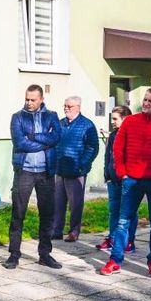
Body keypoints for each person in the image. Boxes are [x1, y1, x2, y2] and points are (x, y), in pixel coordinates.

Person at [101, 87, 151, 277]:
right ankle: (115, 259)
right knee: (123, 221)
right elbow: (117, 149)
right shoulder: (130, 121)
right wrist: (122, 173)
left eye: (150, 101)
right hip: (132, 180)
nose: (146, 104)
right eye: (145, 100)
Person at [4, 85, 62, 270]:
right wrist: (45, 142)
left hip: (46, 172)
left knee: (47, 214)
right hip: (25, 171)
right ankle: (14, 254)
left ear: (41, 99)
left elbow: (57, 137)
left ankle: (45, 254)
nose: (29, 102)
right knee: (18, 214)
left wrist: (34, 136)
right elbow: (20, 142)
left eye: (33, 99)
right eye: (27, 99)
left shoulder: (52, 116)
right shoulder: (17, 117)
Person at [52, 97, 99, 242]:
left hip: (76, 171)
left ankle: (74, 231)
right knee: (58, 202)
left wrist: (82, 164)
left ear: (78, 107)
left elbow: (93, 148)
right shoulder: (60, 123)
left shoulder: (87, 125)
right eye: (64, 105)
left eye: (69, 106)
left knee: (75, 204)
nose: (66, 108)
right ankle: (56, 230)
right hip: (60, 169)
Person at [96, 105, 137, 254]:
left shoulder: (133, 134)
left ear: (125, 118)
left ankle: (129, 241)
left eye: (115, 119)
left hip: (127, 179)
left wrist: (127, 175)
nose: (112, 122)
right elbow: (108, 155)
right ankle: (112, 238)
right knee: (114, 211)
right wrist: (106, 173)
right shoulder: (114, 134)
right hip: (113, 179)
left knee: (128, 212)